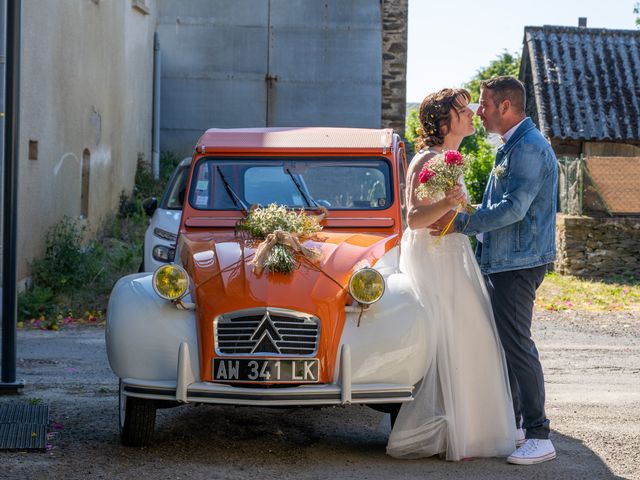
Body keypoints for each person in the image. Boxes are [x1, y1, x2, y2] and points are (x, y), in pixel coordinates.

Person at [431, 76, 559, 465]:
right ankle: (519, 426)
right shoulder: (514, 144)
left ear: (505, 107)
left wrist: (460, 223)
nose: (479, 112)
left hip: (519, 263)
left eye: (484, 105)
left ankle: (540, 433)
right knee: (507, 344)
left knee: (518, 344)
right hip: (506, 260)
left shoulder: (529, 148)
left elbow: (513, 209)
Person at [386, 88, 517, 461]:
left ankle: (471, 432)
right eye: (463, 110)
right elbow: (414, 219)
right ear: (444, 121)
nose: (473, 113)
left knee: (471, 338)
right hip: (434, 261)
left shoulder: (448, 159)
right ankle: (448, 431)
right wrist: (449, 202)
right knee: (451, 337)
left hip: (453, 255)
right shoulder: (427, 159)